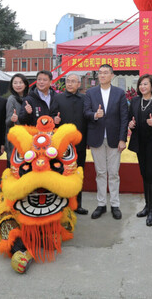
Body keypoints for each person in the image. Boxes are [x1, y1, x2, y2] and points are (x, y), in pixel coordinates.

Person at [84, 64, 128, 220]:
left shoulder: (119, 93)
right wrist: (95, 115)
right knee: (101, 172)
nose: (102, 75)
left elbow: (124, 118)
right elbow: (86, 112)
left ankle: (115, 204)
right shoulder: (90, 93)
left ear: (112, 75)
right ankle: (101, 204)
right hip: (97, 138)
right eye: (100, 73)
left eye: (105, 73)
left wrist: (123, 139)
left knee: (114, 173)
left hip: (115, 139)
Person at [128, 74, 152, 227]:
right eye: (141, 84)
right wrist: (130, 125)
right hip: (140, 143)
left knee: (151, 175)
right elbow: (131, 120)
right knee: (144, 174)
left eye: (146, 84)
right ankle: (146, 205)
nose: (143, 87)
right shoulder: (135, 101)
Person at [50, 73, 89, 215]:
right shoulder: (58, 98)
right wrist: (55, 120)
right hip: (62, 145)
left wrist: (88, 140)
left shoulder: (84, 99)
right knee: (62, 173)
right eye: (68, 81)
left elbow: (88, 120)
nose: (70, 84)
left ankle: (78, 204)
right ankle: (62, 205)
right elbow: (51, 115)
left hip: (80, 142)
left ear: (79, 84)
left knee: (78, 173)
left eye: (73, 81)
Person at [5, 73, 29, 167]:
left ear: (25, 84)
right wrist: (12, 119)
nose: (18, 85)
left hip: (28, 138)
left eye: (20, 82)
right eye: (15, 83)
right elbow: (7, 122)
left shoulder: (29, 98)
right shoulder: (11, 99)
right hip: (15, 140)